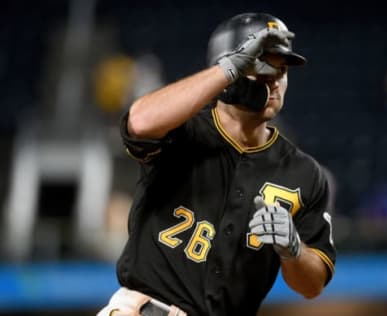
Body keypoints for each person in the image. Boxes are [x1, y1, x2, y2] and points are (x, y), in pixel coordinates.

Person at [98, 12, 336, 316]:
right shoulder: (183, 130)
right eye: (264, 67)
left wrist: (294, 250)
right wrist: (227, 71)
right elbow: (139, 122)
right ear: (230, 69)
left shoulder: (304, 173)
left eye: (283, 70)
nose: (276, 81)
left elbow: (312, 285)